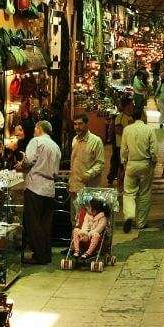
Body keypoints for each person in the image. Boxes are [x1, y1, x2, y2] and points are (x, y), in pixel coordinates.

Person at [17, 120, 61, 264]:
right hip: (49, 187)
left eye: (35, 128)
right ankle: (45, 254)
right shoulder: (55, 146)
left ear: (40, 128)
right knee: (45, 224)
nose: (34, 130)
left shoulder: (36, 141)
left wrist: (20, 165)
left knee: (33, 223)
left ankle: (40, 255)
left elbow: (28, 160)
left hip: (35, 185)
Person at [121, 105, 157, 232]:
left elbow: (124, 150)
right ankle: (141, 222)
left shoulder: (127, 130)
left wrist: (124, 162)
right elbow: (154, 150)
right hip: (145, 164)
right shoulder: (149, 130)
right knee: (144, 193)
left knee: (129, 193)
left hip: (131, 164)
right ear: (143, 116)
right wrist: (153, 161)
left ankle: (129, 215)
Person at [69, 113, 105, 215]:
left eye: (80, 124)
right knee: (75, 217)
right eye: (75, 124)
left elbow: (100, 163)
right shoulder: (74, 140)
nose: (77, 127)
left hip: (89, 187)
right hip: (75, 186)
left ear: (86, 124)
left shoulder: (95, 141)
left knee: (88, 218)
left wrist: (88, 174)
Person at [107, 98, 134, 187]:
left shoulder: (132, 117)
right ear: (126, 106)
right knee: (120, 164)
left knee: (123, 164)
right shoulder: (120, 117)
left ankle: (121, 181)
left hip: (129, 146)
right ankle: (115, 181)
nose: (132, 107)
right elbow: (118, 130)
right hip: (120, 146)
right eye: (130, 105)